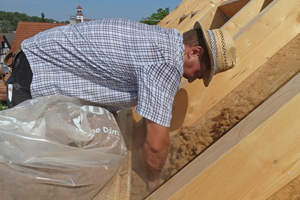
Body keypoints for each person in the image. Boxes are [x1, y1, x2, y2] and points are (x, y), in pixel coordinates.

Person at [6, 18, 236, 191]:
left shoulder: (159, 40)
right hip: (35, 75)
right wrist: (154, 184)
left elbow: (109, 82)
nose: (194, 78)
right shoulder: (166, 61)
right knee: (27, 170)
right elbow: (156, 144)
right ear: (194, 52)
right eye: (201, 71)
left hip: (34, 63)